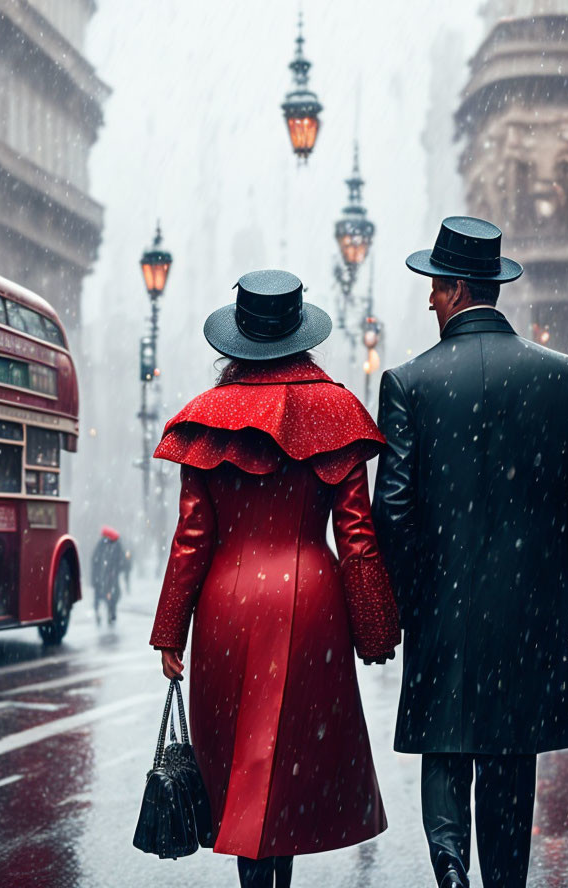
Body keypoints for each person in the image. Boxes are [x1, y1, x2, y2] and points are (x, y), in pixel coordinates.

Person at [372, 217, 568, 888]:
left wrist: (411, 594)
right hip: (529, 611)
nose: (427, 301)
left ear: (453, 289)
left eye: (432, 288)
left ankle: (449, 867)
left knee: (445, 745)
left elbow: (390, 507)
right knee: (509, 762)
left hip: (442, 606)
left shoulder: (409, 383)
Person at [149, 270, 401, 888]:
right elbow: (358, 536)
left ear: (236, 339)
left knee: (240, 761)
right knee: (283, 764)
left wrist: (168, 632)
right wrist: (373, 627)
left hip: (225, 605)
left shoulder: (206, 418)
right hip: (313, 596)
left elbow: (192, 540)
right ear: (301, 333)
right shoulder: (335, 409)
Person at [91, 526, 126, 625]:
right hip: (110, 576)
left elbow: (95, 560)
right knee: (112, 594)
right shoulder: (116, 544)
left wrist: (95, 576)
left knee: (101, 595)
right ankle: (111, 613)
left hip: (102, 576)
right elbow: (121, 561)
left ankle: (100, 611)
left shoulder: (101, 544)